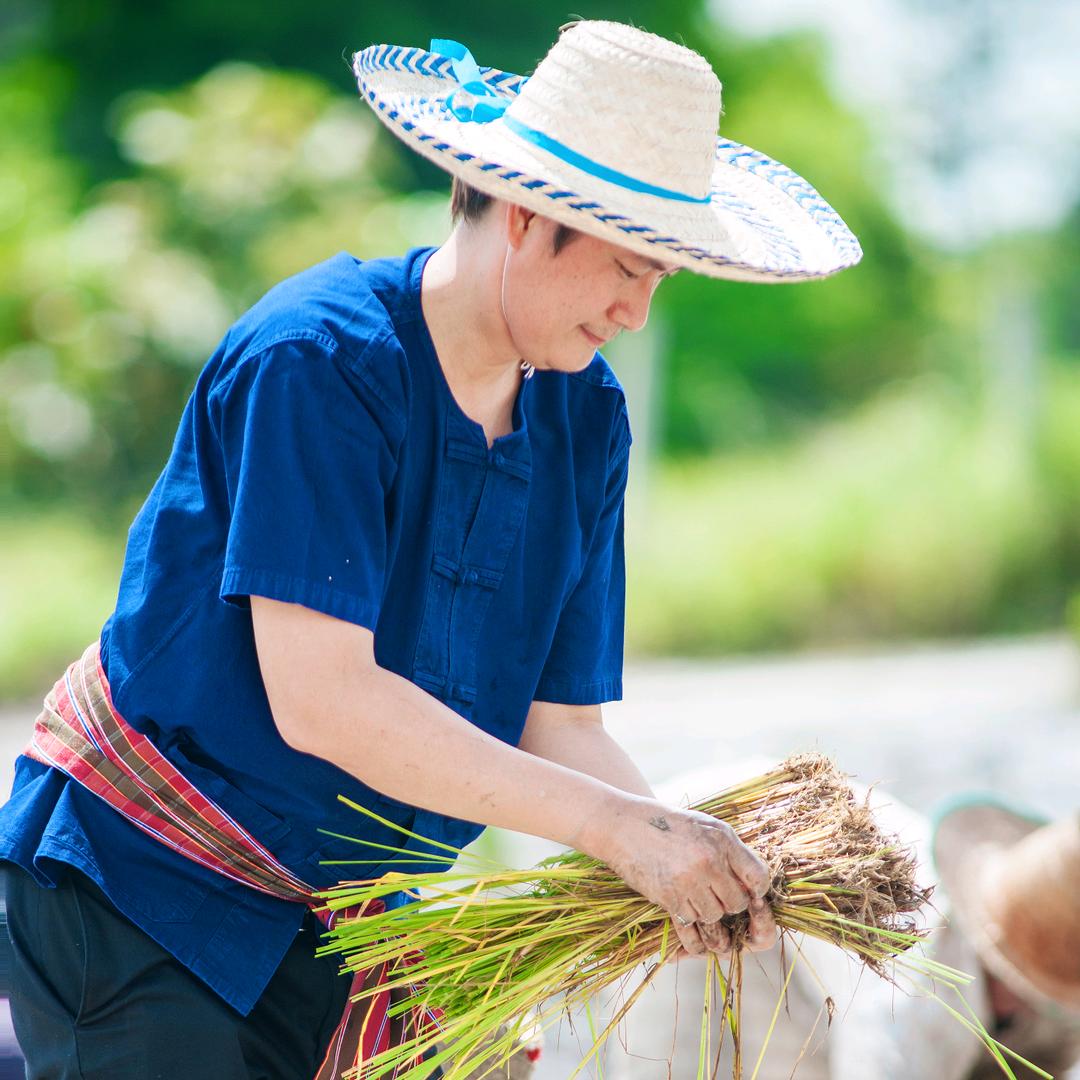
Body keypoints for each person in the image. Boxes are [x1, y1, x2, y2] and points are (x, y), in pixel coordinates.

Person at [0, 20, 861, 1080]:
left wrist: (678, 845)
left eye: (661, 282)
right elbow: (323, 701)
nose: (636, 313)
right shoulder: (318, 359)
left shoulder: (586, 423)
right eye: (629, 268)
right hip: (147, 883)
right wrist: (616, 832)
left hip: (352, 922)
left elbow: (560, 727)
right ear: (529, 215)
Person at [602, 765, 1080, 1079]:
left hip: (786, 917)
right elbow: (882, 1060)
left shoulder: (1037, 1018)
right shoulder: (918, 996)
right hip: (692, 868)